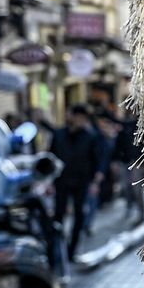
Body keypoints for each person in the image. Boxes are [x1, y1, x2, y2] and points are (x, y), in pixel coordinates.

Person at [50, 103, 104, 259]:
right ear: (71, 116)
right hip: (61, 181)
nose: (80, 121)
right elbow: (51, 157)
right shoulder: (58, 135)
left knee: (79, 216)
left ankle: (71, 250)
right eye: (78, 117)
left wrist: (95, 182)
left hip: (81, 182)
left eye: (83, 118)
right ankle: (56, 249)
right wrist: (47, 182)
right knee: (58, 215)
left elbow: (96, 160)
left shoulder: (90, 136)